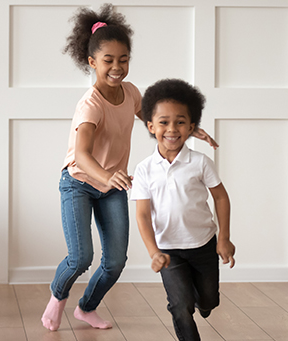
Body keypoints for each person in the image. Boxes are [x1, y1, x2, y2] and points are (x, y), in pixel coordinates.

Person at [42, 5, 217, 332]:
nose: (117, 67)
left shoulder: (132, 93)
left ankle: (86, 307)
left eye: (123, 59)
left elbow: (157, 122)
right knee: (81, 258)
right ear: (92, 62)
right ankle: (58, 296)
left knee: (115, 262)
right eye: (108, 60)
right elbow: (80, 155)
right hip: (79, 183)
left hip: (112, 187)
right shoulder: (90, 104)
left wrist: (191, 130)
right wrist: (107, 175)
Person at [130, 79, 236, 341]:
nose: (172, 129)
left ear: (191, 127)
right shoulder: (144, 169)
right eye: (163, 122)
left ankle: (205, 302)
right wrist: (154, 252)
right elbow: (143, 215)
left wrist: (223, 238)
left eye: (180, 122)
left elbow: (221, 198)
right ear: (151, 126)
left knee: (209, 300)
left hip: (203, 245)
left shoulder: (200, 162)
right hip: (168, 250)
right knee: (180, 306)